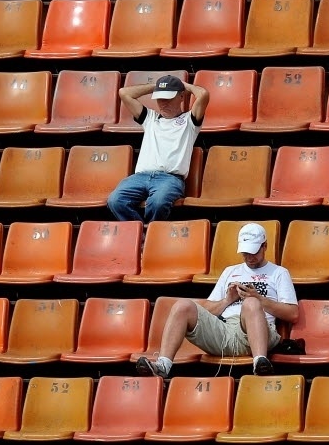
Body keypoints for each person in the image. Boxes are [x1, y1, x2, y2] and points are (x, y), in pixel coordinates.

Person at [136, 223, 299, 378]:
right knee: (182, 306)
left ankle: (260, 362)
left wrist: (259, 299)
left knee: (251, 303)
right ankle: (163, 365)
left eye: (254, 252)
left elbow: (292, 314)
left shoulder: (279, 273)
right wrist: (227, 300)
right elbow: (207, 310)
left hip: (260, 330)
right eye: (245, 253)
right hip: (225, 329)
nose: (249, 257)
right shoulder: (230, 271)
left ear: (265, 246)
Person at [107, 75, 209, 223]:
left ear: (181, 97)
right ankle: (142, 232)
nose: (163, 103)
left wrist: (184, 85)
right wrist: (157, 87)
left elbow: (203, 94)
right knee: (115, 200)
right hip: (140, 177)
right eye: (160, 98)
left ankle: (150, 232)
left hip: (170, 178)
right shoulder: (150, 118)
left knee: (158, 203)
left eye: (168, 98)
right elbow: (124, 93)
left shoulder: (190, 121)